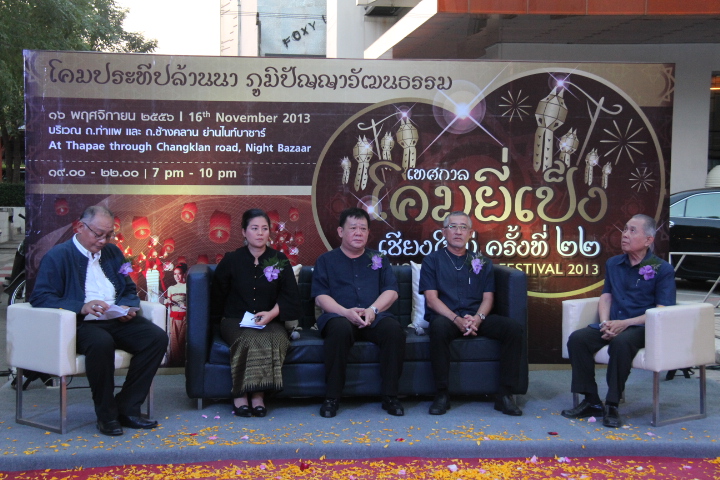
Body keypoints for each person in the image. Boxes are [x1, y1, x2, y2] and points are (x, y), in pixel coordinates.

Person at [29, 206, 168, 436]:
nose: (103, 240)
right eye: (98, 234)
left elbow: (129, 288)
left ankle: (127, 407)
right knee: (101, 342)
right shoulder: (58, 255)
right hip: (80, 323)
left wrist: (126, 305)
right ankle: (106, 415)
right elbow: (41, 297)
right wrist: (81, 306)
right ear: (79, 227)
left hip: (115, 318)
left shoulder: (113, 253)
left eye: (109, 234)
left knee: (156, 338)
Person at [561, 214, 676, 428]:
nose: (624, 235)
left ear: (649, 240)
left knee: (621, 343)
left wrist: (625, 323)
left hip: (642, 327)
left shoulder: (662, 269)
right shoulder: (613, 263)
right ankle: (592, 400)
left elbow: (662, 310)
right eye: (624, 229)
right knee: (578, 339)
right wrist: (605, 322)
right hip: (614, 323)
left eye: (632, 231)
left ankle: (612, 404)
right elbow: (606, 296)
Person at [420, 211, 524, 416]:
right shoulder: (432, 260)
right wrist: (456, 319)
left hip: (477, 318)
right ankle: (441, 394)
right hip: (447, 317)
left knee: (513, 329)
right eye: (453, 227)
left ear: (470, 233)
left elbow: (488, 298)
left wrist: (478, 318)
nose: (458, 232)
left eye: (463, 227)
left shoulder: (482, 261)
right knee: (438, 327)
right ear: (444, 232)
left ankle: (504, 395)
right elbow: (431, 300)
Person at [311, 207, 406, 418]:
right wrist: (345, 312)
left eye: (363, 229)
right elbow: (320, 297)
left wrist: (373, 309)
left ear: (368, 233)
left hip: (374, 316)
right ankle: (332, 397)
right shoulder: (326, 260)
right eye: (353, 228)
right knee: (339, 330)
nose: (358, 233)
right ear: (340, 231)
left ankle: (391, 396)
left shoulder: (379, 258)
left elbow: (391, 291)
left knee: (393, 330)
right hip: (339, 316)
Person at [211, 208, 301, 417]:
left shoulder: (279, 259)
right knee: (249, 338)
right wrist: (215, 326)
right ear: (244, 232)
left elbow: (290, 296)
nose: (260, 233)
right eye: (254, 228)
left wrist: (271, 314)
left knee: (275, 338)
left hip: (271, 320)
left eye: (264, 228)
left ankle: (258, 395)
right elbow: (217, 296)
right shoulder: (231, 260)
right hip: (235, 320)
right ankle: (240, 393)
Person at [165, 263, 188, 367]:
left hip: (184, 317)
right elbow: (167, 303)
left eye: (179, 274)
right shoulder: (171, 288)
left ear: (184, 274)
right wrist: (167, 302)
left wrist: (186, 305)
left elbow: (194, 302)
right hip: (173, 317)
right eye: (175, 274)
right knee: (174, 342)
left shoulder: (188, 286)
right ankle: (175, 365)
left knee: (182, 341)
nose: (177, 276)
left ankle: (183, 365)